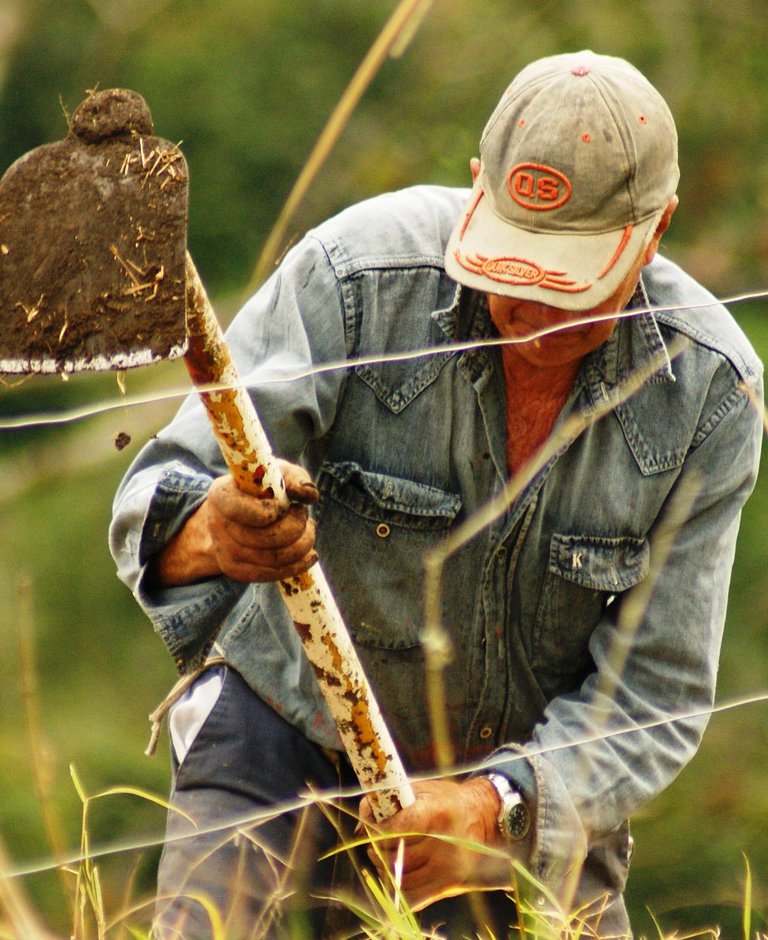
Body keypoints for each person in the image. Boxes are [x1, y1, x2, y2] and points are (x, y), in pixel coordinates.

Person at [110, 50, 763, 939]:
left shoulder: (710, 395)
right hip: (283, 739)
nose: (529, 308)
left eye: (568, 281)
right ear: (478, 190)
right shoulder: (353, 278)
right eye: (511, 265)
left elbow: (655, 692)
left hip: (520, 793)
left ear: (653, 233)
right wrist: (214, 535)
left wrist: (496, 810)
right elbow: (154, 500)